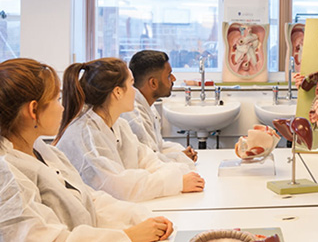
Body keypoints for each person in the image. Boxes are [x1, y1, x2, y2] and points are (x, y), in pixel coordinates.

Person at [0, 58, 174, 241]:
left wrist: (138, 217)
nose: (63, 107)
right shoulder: (7, 176)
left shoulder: (44, 153)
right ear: (33, 110)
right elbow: (45, 238)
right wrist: (128, 236)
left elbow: (87, 199)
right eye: (57, 100)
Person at [55, 58, 205, 202]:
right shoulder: (86, 135)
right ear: (118, 92)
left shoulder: (119, 125)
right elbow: (118, 187)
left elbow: (146, 159)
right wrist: (176, 182)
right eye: (132, 84)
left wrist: (180, 174)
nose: (135, 92)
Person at [122, 50, 197, 167]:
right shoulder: (134, 114)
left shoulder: (147, 106)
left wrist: (180, 153)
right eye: (168, 75)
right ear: (153, 83)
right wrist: (180, 158)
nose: (173, 79)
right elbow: (148, 162)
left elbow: (157, 146)